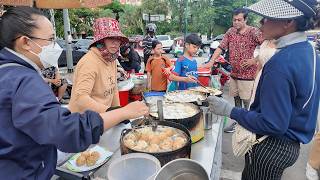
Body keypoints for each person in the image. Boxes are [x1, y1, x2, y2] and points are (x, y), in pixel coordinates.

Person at [0, 7, 149, 179]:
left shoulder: (110, 60)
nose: (55, 46)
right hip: (81, 131)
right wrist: (120, 112)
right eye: (50, 39)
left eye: (118, 40)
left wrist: (116, 111)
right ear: (25, 42)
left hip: (94, 126)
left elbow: (113, 87)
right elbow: (75, 107)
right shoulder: (23, 80)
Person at [208, 0, 320, 179]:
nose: (261, 23)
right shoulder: (309, 51)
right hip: (291, 145)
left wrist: (229, 110)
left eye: (267, 18)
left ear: (288, 22)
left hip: (271, 146)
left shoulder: (281, 63)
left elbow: (272, 124)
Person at [203, 8, 264, 133]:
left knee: (247, 102)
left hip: (248, 75)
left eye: (239, 20)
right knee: (236, 99)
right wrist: (211, 61)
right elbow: (221, 47)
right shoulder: (230, 32)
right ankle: (237, 123)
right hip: (234, 73)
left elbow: (266, 45)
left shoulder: (253, 32)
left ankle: (249, 126)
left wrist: (254, 60)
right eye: (234, 20)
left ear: (245, 20)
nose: (236, 22)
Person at [69, 18, 129, 113]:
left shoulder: (111, 59)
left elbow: (114, 90)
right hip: (83, 121)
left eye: (118, 39)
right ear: (101, 41)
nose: (116, 42)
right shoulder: (89, 62)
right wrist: (109, 111)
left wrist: (118, 112)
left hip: (103, 119)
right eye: (110, 38)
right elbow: (81, 99)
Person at [247, 39, 276, 105]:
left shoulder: (283, 44)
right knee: (255, 99)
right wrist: (255, 81)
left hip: (273, 77)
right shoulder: (264, 43)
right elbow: (260, 64)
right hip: (260, 76)